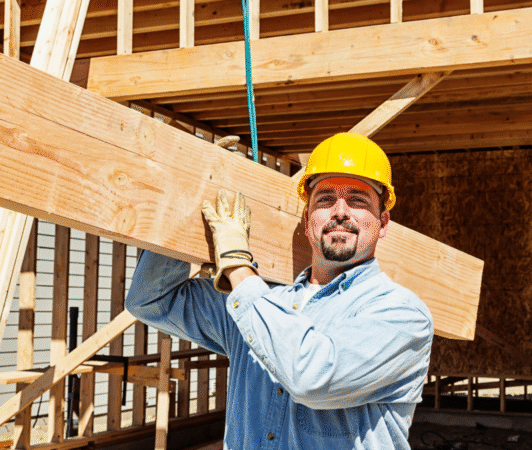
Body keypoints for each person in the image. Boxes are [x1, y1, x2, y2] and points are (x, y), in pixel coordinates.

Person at [126, 132, 433, 449]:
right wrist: (190, 192)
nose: (340, 211)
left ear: (383, 223)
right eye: (325, 199)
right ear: (307, 219)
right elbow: (150, 300)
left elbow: (311, 377)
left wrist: (236, 264)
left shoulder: (403, 316)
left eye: (358, 200)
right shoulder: (264, 300)